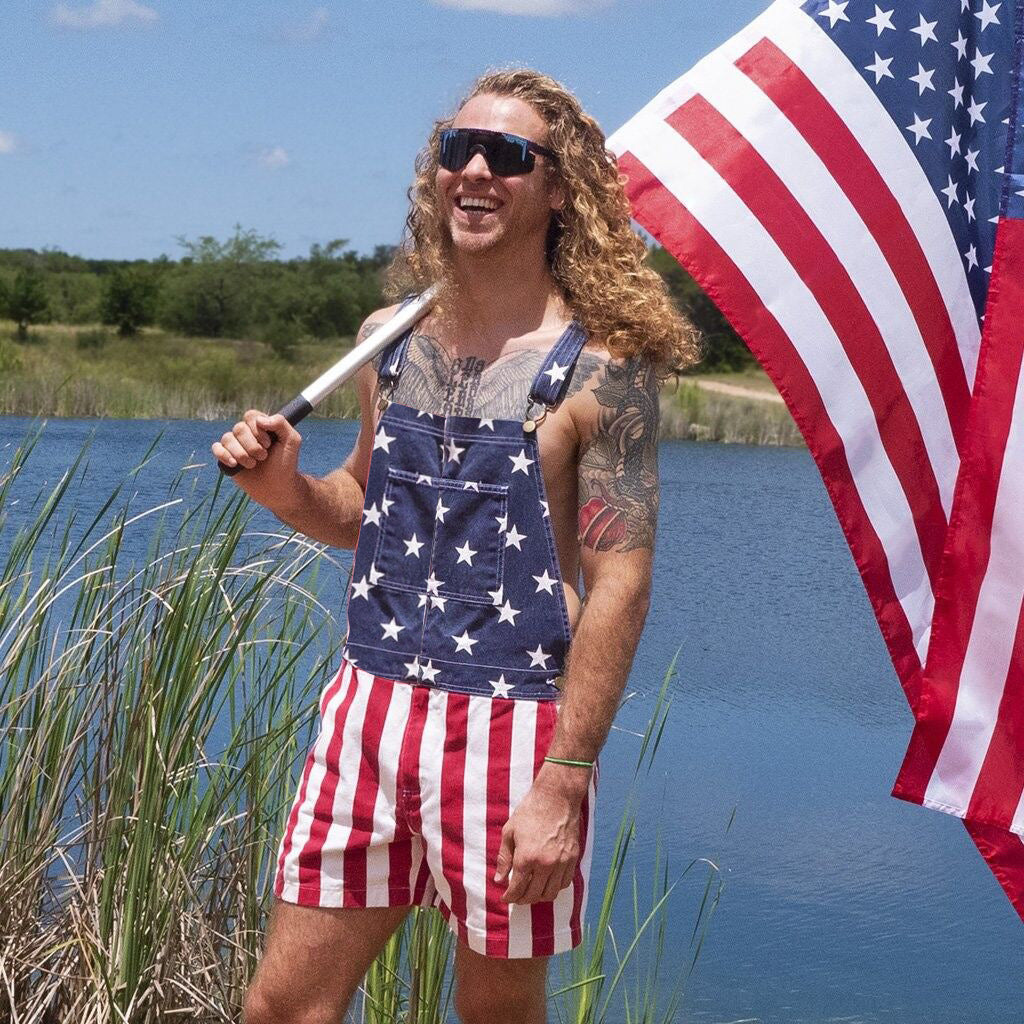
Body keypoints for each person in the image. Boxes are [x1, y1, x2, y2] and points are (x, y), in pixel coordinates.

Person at [213, 68, 698, 1024]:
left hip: (512, 729)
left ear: (559, 188)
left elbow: (619, 586)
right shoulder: (387, 341)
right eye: (456, 149)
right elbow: (359, 511)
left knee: (494, 1018)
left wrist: (566, 780)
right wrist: (284, 491)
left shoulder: (602, 371)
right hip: (366, 713)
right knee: (280, 1007)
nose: (474, 170)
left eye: (508, 155)